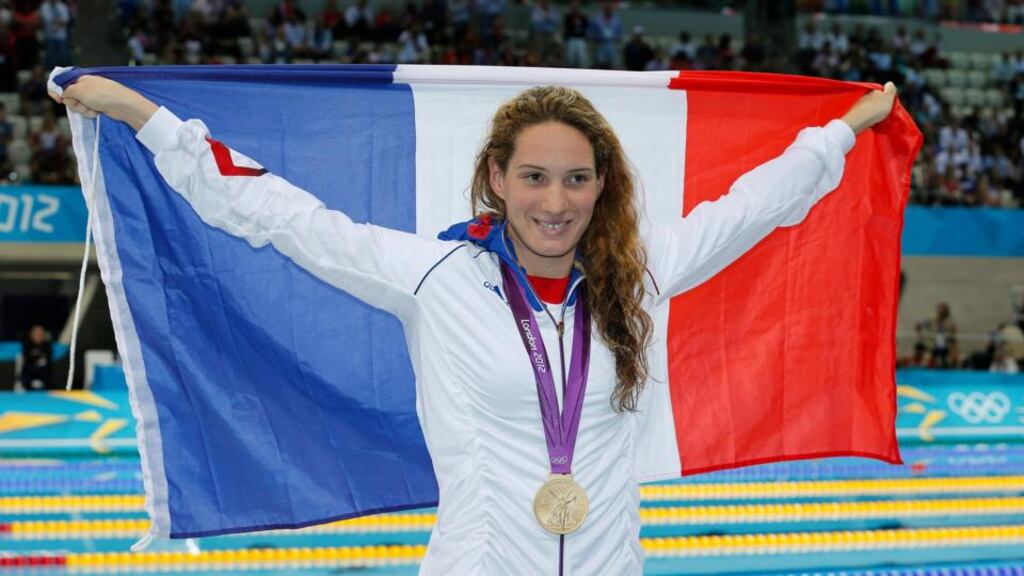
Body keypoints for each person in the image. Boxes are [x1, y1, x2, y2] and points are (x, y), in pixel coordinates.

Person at [52, 73, 897, 574]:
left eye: (575, 179)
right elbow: (281, 214)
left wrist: (843, 131)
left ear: (602, 185)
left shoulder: (636, 278)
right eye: (534, 177)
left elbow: (752, 207)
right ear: (496, 177)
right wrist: (145, 117)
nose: (554, 202)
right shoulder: (434, 277)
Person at [17, 325, 53, 391]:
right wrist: (39, 356)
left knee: (50, 379)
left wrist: (35, 355)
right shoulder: (27, 344)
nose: (38, 336)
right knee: (25, 379)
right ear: (31, 335)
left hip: (44, 375)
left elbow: (48, 360)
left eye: (40, 334)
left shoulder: (47, 345)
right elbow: (28, 359)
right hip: (29, 375)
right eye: (36, 334)